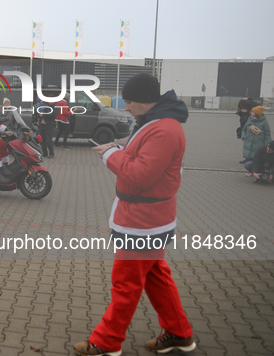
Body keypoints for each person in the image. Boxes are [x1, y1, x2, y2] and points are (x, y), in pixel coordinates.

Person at [75, 73, 195, 355]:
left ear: (144, 100)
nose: (126, 107)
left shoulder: (163, 129)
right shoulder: (156, 123)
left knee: (125, 285)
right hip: (148, 219)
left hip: (143, 222)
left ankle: (106, 342)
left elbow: (140, 174)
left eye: (129, 102)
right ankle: (180, 333)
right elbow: (139, 161)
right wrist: (117, 150)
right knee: (156, 278)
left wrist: (110, 155)